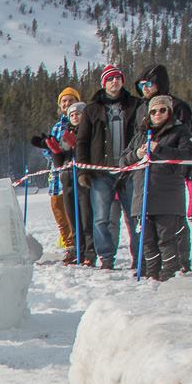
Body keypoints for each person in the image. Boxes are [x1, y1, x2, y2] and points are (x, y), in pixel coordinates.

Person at [76, 65, 140, 271]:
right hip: (100, 172)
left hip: (129, 170)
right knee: (101, 218)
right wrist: (84, 171)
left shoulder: (135, 105)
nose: (115, 82)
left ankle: (139, 257)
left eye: (118, 78)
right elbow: (82, 142)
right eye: (110, 79)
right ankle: (106, 258)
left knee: (134, 216)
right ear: (103, 83)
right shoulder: (92, 109)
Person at [133, 96, 192, 282]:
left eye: (162, 110)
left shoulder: (180, 131)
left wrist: (159, 148)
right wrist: (137, 154)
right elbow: (123, 160)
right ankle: (152, 274)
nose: (158, 114)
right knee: (147, 241)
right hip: (142, 195)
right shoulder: (141, 134)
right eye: (153, 111)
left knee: (167, 238)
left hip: (167, 195)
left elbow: (187, 155)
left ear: (169, 111)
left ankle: (171, 273)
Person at [31, 88, 82, 262]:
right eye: (64, 101)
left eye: (70, 100)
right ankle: (69, 245)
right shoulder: (57, 126)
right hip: (56, 177)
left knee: (74, 211)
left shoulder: (80, 121)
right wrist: (50, 148)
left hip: (74, 174)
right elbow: (50, 153)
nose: (67, 104)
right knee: (59, 211)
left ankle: (79, 245)